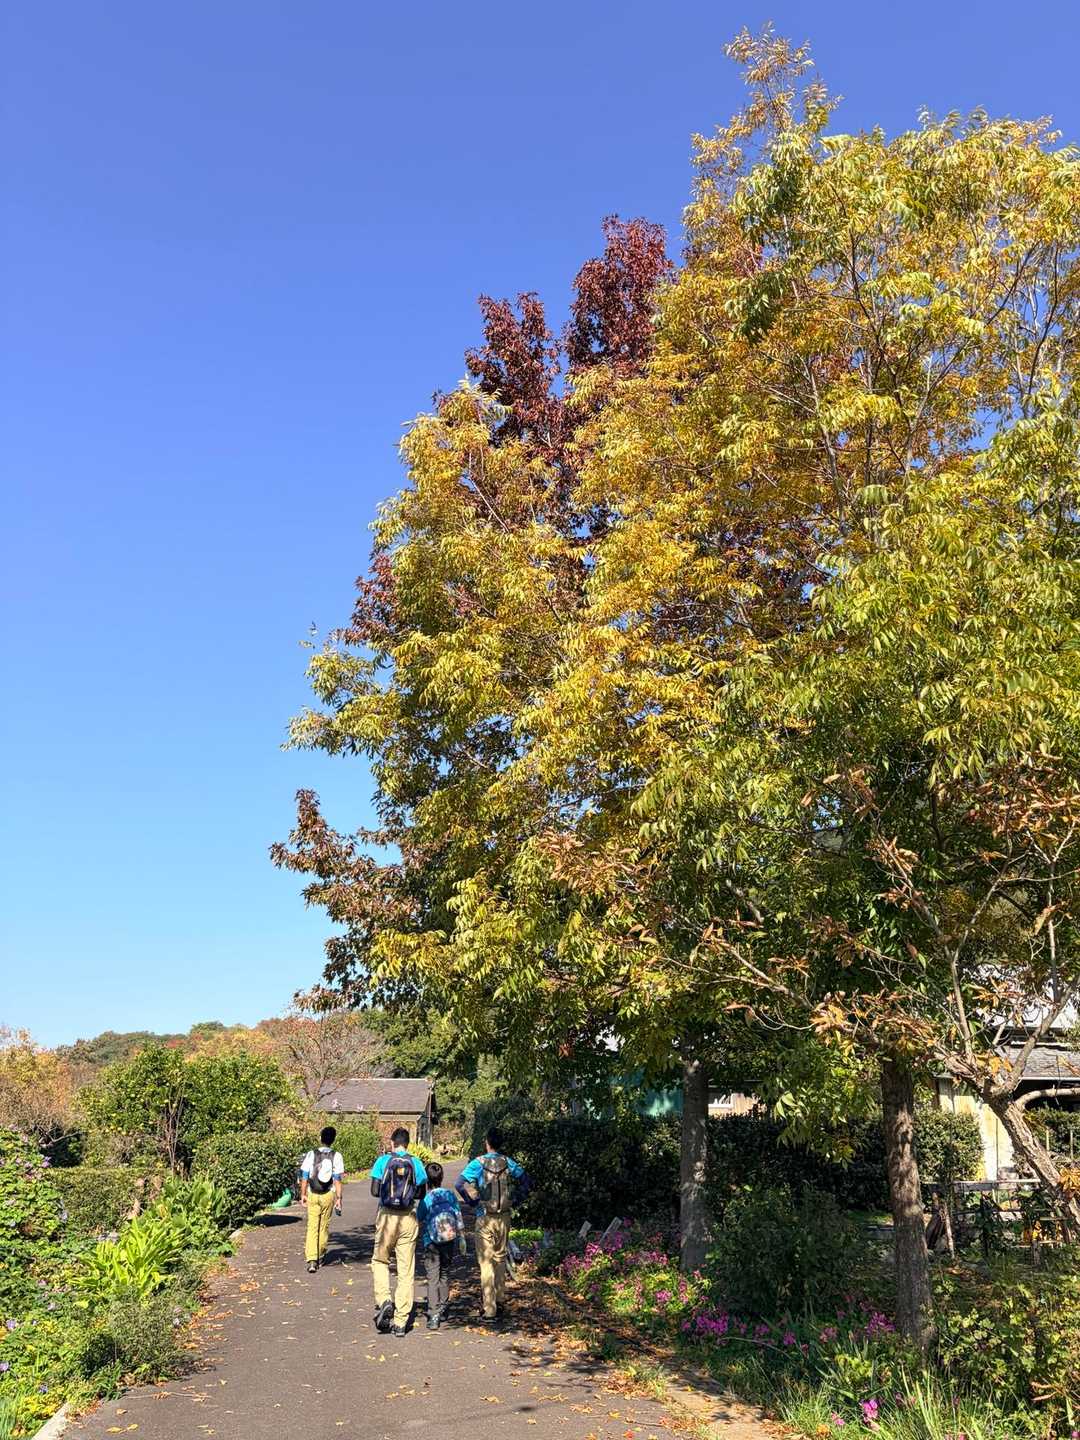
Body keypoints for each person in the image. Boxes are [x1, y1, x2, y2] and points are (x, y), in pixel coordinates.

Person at [456, 1127, 529, 1322]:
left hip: (485, 1216)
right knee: (500, 1258)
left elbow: (459, 1184)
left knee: (485, 1261)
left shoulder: (478, 1163)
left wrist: (472, 1202)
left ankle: (489, 1308)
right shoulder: (507, 1162)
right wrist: (515, 1201)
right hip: (504, 1216)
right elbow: (526, 1181)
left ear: (487, 1143)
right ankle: (500, 1298)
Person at [369, 1128, 428, 1336]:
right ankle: (401, 1321)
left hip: (386, 1217)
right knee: (405, 1269)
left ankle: (384, 1300)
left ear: (392, 1143)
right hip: (408, 1218)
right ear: (408, 1144)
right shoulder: (416, 1163)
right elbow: (421, 1192)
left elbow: (374, 1191)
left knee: (380, 1260)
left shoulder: (383, 1161)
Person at [415, 1161, 464, 1330]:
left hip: (431, 1242)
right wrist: (462, 1237)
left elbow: (419, 1218)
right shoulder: (450, 1195)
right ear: (442, 1177)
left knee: (432, 1278)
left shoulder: (427, 1199)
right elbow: (458, 1216)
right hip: (449, 1240)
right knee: (444, 1273)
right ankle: (443, 1307)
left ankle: (433, 1314)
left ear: (427, 1180)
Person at [299, 1126, 344, 1273]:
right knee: (323, 1226)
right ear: (333, 1140)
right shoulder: (337, 1156)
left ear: (320, 1138)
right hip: (328, 1194)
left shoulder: (312, 1154)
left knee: (312, 1227)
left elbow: (304, 1175)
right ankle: (320, 1255)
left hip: (313, 1193)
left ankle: (312, 1260)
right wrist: (339, 1198)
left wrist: (303, 1194)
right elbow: (337, 1179)